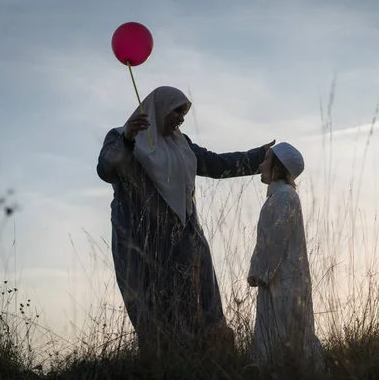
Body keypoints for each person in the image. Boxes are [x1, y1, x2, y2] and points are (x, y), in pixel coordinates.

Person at [96, 85, 274, 351]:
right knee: (156, 302)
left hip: (186, 235)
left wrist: (258, 156)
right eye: (176, 111)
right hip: (143, 239)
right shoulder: (120, 136)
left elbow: (215, 164)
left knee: (200, 297)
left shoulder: (182, 143)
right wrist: (128, 138)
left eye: (184, 112)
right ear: (160, 109)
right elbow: (107, 170)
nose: (181, 117)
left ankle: (209, 359)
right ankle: (166, 364)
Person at [247, 142, 323, 370]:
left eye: (266, 160)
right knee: (276, 333)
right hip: (277, 280)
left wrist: (259, 272)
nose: (261, 165)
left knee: (285, 333)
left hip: (283, 281)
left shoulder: (285, 197)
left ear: (278, 167)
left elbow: (275, 240)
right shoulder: (279, 197)